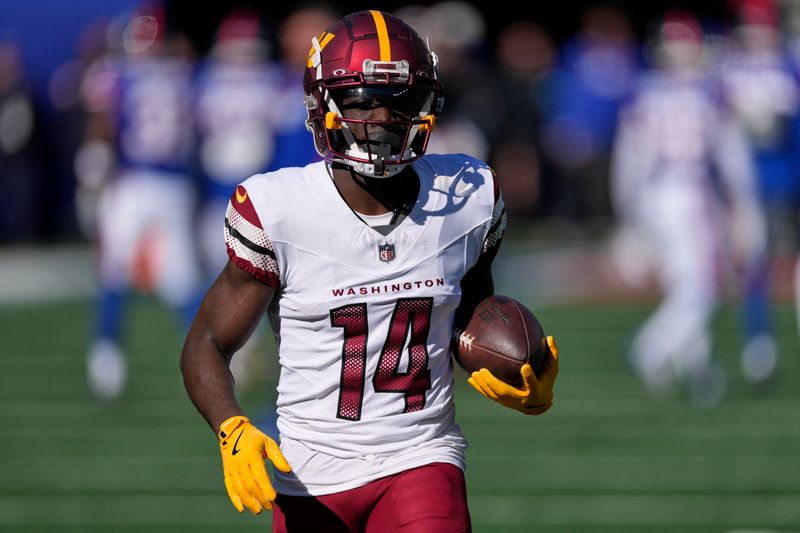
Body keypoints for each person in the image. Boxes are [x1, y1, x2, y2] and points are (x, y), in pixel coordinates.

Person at [180, 10, 559, 531]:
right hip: (308, 475)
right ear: (323, 105)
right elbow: (205, 341)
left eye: (399, 102)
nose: (381, 118)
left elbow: (470, 303)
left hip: (420, 455)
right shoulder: (280, 209)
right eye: (361, 100)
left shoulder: (468, 198)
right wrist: (231, 427)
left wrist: (514, 363)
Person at [610, 10, 765, 406]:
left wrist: (629, 217)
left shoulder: (641, 90)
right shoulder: (710, 92)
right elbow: (733, 158)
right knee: (705, 289)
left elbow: (628, 161)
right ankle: (652, 348)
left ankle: (698, 372)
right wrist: (744, 207)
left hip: (654, 194)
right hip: (691, 193)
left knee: (685, 285)